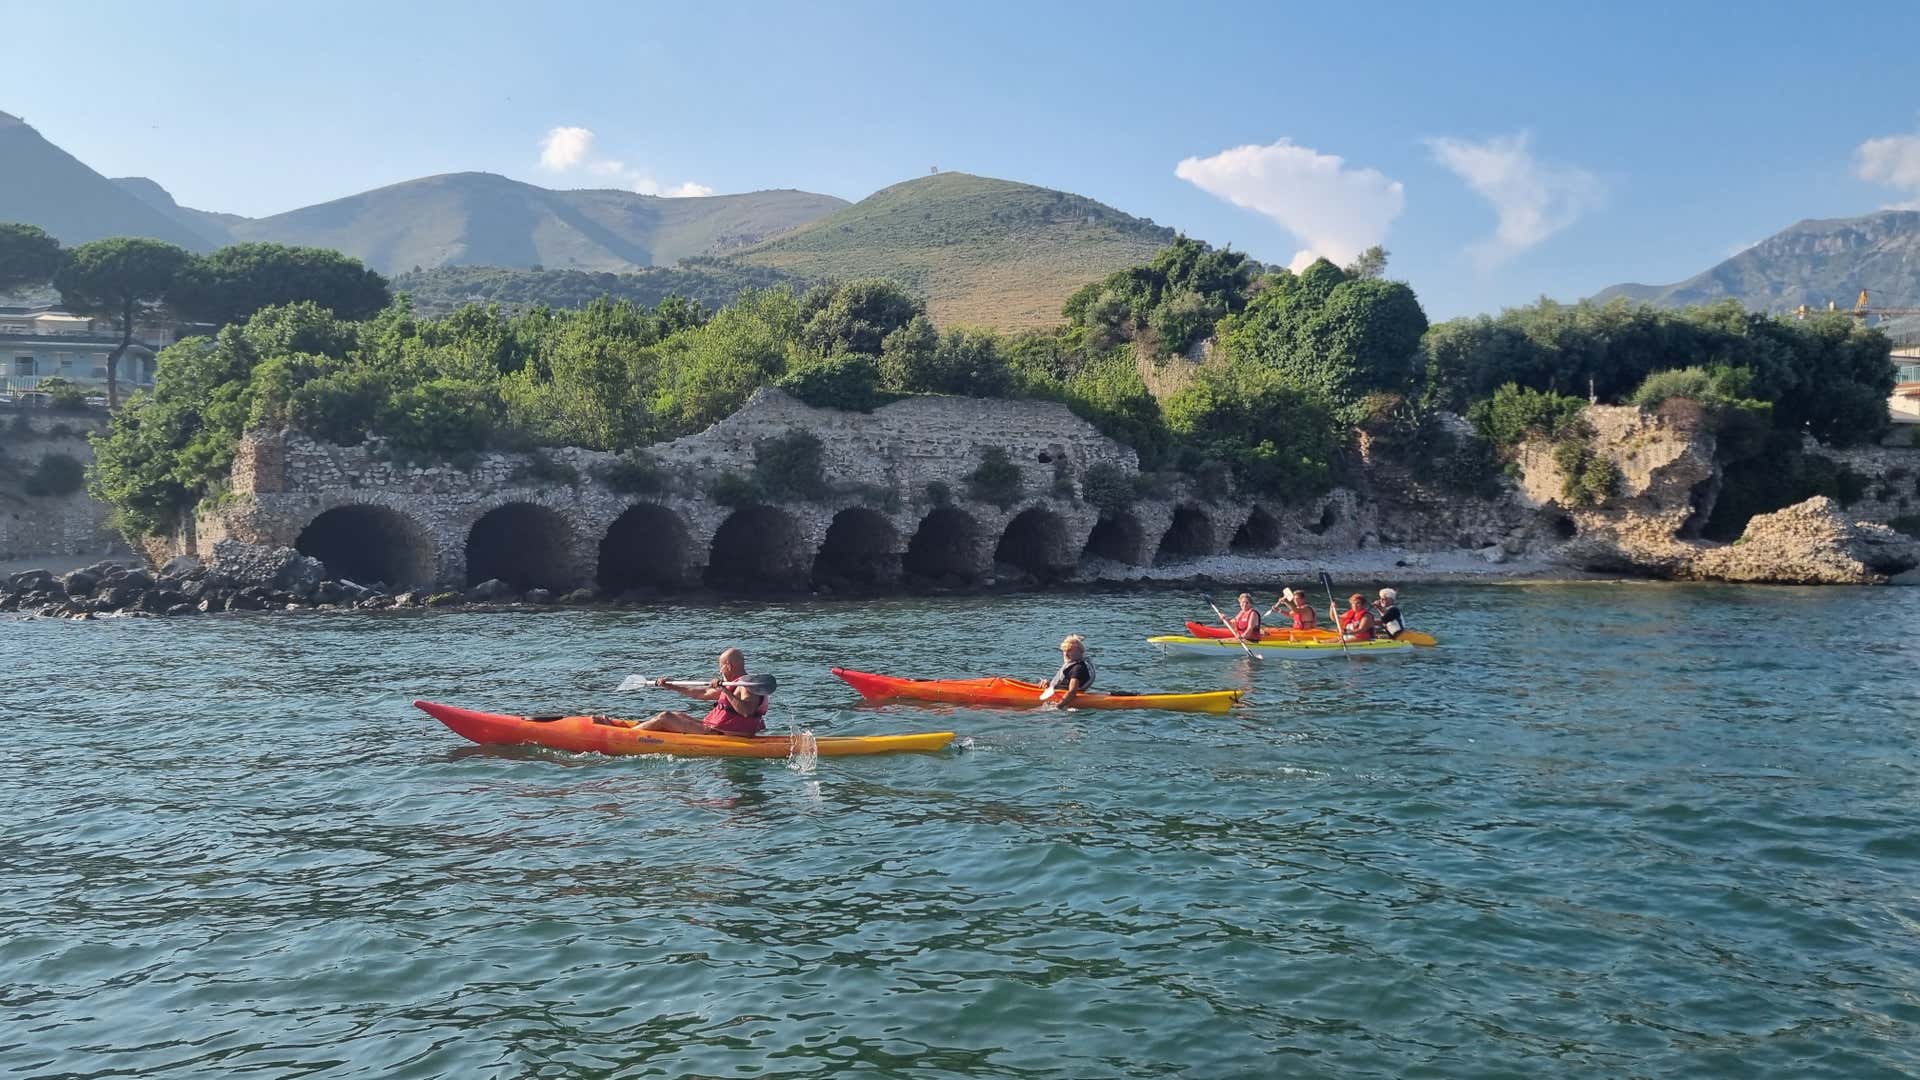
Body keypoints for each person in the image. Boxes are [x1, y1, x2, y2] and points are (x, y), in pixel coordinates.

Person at [636, 647, 775, 735]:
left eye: (721, 667)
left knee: (665, 717)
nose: (720, 671)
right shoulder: (734, 684)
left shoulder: (746, 686)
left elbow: (746, 711)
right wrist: (672, 686)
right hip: (717, 729)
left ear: (728, 666)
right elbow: (701, 693)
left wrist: (724, 690)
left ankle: (629, 735)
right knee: (678, 715)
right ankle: (637, 730)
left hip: (722, 734)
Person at [1046, 634, 1094, 709]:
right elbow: (1065, 683)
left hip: (1065, 697)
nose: (1065, 654)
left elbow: (1072, 691)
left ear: (1080, 652)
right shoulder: (1074, 665)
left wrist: (1058, 706)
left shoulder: (1078, 668)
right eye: (1064, 651)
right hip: (1059, 691)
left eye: (1069, 650)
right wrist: (1048, 683)